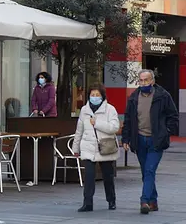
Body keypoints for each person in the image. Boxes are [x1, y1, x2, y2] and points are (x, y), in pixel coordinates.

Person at [122, 69, 179, 214]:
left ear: (152, 81)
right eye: (141, 80)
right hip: (139, 140)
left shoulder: (163, 96)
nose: (143, 83)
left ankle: (144, 201)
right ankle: (153, 201)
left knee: (149, 170)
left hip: (156, 140)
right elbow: (128, 119)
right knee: (145, 172)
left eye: (146, 80)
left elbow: (173, 116)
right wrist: (126, 138)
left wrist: (166, 132)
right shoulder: (134, 98)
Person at [72, 84, 119, 212]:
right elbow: (79, 130)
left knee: (108, 176)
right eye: (92, 95)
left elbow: (114, 127)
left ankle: (111, 200)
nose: (95, 97)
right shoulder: (84, 110)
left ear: (102, 96)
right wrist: (75, 148)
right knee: (89, 176)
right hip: (88, 147)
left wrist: (97, 123)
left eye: (97, 95)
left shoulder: (110, 109)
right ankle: (87, 203)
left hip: (104, 147)